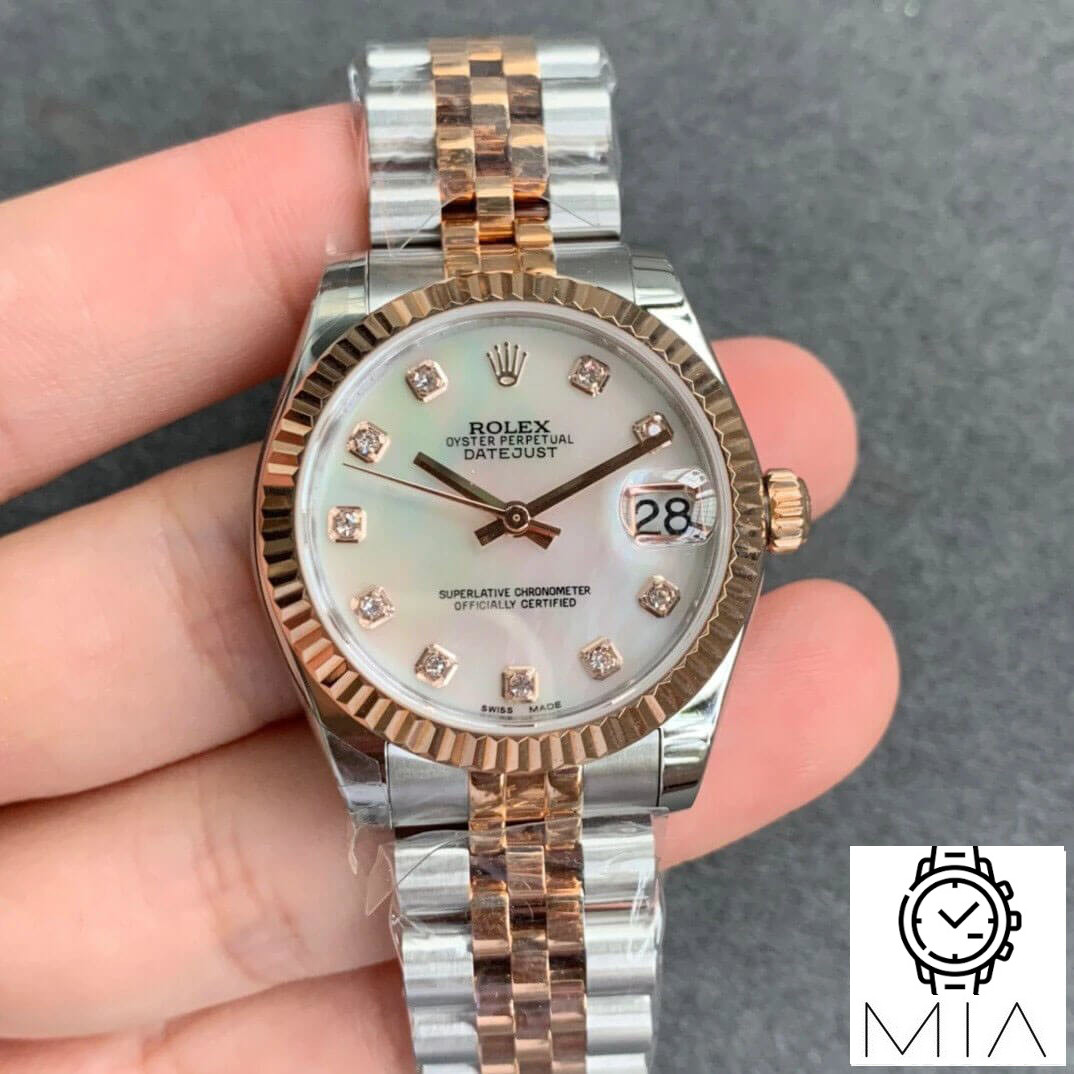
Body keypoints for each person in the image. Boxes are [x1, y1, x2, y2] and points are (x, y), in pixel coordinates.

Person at [0, 104, 898, 1071]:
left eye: (522, 518)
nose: (514, 522)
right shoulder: (562, 320)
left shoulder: (633, 328)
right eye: (503, 517)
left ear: (762, 512)